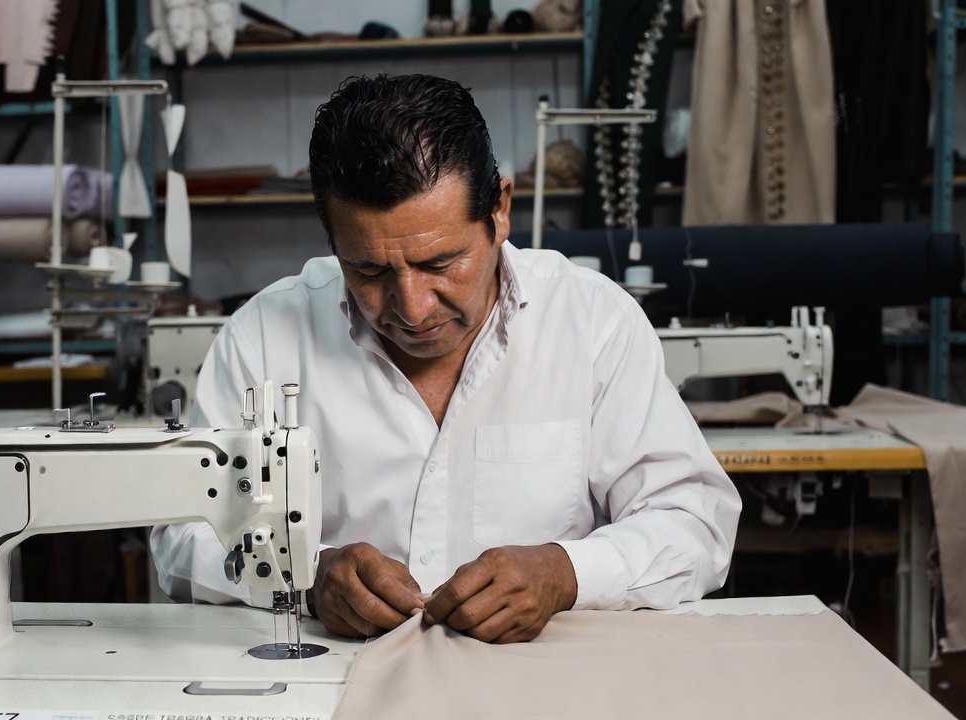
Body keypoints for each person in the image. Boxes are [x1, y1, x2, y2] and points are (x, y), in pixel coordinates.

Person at [150, 74, 741, 644]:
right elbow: (181, 533)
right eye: (369, 271)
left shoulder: (593, 323)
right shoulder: (262, 336)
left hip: (543, 681)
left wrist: (566, 573)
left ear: (499, 211)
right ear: (332, 240)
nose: (412, 307)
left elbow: (694, 521)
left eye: (440, 264)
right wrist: (303, 573)